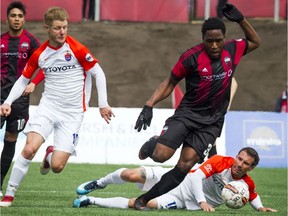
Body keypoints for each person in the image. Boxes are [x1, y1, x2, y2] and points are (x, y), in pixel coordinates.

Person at [133, 3, 261, 210]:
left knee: (184, 166)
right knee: (160, 156)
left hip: (211, 123)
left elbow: (255, 41)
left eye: (218, 41)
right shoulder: (191, 57)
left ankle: (144, 199)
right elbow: (170, 82)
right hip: (187, 115)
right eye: (209, 41)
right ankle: (153, 144)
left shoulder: (233, 49)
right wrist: (149, 104)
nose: (214, 45)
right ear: (203, 39)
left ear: (224, 39)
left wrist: (241, 19)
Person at [0, 6, 114, 207]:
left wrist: (103, 104)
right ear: (47, 28)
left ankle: (50, 153)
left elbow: (99, 73)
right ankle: (9, 194)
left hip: (72, 114)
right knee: (28, 149)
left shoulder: (77, 48)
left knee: (57, 166)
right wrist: (8, 101)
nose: (62, 32)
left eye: (65, 27)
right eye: (58, 28)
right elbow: (23, 80)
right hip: (48, 108)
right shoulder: (41, 53)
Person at [73, 147, 277, 212]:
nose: (239, 164)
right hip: (178, 179)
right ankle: (98, 183)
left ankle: (91, 201)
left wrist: (259, 208)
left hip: (182, 201)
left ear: (251, 167)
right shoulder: (221, 161)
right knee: (130, 175)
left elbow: (252, 195)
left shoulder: (246, 184)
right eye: (239, 158)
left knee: (143, 205)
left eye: (245, 163)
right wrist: (202, 201)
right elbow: (197, 176)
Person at [0, 1, 44, 197]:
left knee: (11, 139)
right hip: (0, 96)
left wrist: (33, 82)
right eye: (13, 15)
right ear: (7, 18)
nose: (16, 19)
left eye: (19, 16)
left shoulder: (32, 41)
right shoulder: (0, 41)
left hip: (20, 101)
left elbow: (45, 64)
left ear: (24, 19)